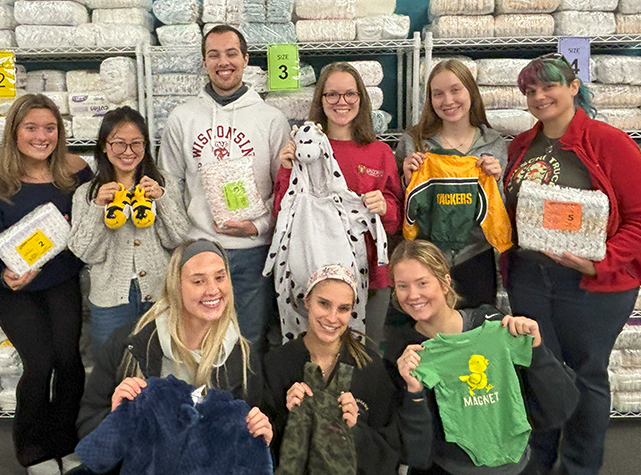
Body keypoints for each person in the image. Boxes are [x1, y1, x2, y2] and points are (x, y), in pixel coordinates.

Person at [503, 54, 641, 475]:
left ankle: (577, 468)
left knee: (585, 378)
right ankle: (536, 463)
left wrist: (602, 262)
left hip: (590, 287)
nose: (539, 97)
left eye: (548, 86)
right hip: (530, 279)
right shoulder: (522, 145)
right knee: (539, 374)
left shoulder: (607, 141)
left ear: (573, 87)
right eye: (530, 91)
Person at [75, 239, 272, 474]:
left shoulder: (242, 357)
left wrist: (262, 437)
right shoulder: (129, 343)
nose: (213, 289)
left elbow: (238, 450)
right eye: (198, 281)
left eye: (220, 277)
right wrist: (114, 416)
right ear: (176, 287)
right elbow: (87, 429)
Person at [0, 94, 93, 474]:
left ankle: (66, 443)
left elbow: (90, 229)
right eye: (31, 128)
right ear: (14, 132)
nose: (42, 136)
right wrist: (2, 274)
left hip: (60, 280)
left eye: (50, 128)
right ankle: (33, 450)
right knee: (39, 364)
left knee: (69, 361)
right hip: (16, 290)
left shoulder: (75, 175)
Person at [385, 240, 578, 475]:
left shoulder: (494, 326)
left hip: (517, 465)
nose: (413, 295)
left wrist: (536, 351)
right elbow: (415, 453)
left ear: (445, 283)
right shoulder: (406, 353)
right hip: (448, 468)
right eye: (402, 286)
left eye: (422, 283)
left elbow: (560, 406)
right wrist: (414, 394)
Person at [158, 24, 290, 354]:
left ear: (246, 60)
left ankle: (246, 407)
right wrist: (181, 240)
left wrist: (257, 226)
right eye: (213, 54)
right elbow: (168, 184)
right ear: (204, 62)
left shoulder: (271, 119)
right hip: (198, 251)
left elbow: (286, 190)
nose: (223, 62)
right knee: (198, 345)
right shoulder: (182, 118)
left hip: (251, 252)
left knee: (249, 342)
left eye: (231, 53)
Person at [275, 61, 403, 351]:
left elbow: (396, 220)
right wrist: (286, 169)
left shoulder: (380, 152)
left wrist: (385, 207)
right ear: (321, 100)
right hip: (315, 275)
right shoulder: (304, 150)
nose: (341, 102)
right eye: (332, 95)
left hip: (371, 276)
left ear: (361, 98)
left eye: (350, 94)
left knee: (364, 358)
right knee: (316, 358)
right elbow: (282, 216)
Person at [69, 106, 190, 350]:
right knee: (114, 367)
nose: (128, 151)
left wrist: (162, 199)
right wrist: (97, 208)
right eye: (118, 143)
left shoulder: (163, 183)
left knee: (162, 362)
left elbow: (178, 239)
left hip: (160, 295)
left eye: (136, 143)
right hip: (110, 301)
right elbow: (85, 253)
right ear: (104, 146)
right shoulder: (87, 192)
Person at [262, 264, 401, 474]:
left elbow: (388, 454)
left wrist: (355, 430)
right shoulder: (276, 364)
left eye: (343, 308)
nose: (332, 317)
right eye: (324, 304)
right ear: (307, 301)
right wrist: (287, 417)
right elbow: (263, 450)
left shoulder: (369, 367)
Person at [394, 59, 507, 309]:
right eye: (438, 94)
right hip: (424, 260)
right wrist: (406, 180)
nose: (448, 100)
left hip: (475, 259)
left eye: (456, 90)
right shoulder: (413, 142)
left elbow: (500, 210)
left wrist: (495, 181)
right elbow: (399, 208)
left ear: (471, 92)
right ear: (430, 99)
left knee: (474, 336)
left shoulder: (492, 143)